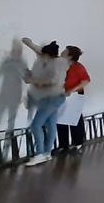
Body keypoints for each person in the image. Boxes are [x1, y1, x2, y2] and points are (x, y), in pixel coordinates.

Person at [21, 37, 68, 166]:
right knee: (51, 124)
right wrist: (28, 43)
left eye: (44, 56)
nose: (41, 57)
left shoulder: (58, 64)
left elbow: (53, 82)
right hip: (52, 98)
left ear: (50, 56)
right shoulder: (49, 57)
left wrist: (33, 80)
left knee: (36, 125)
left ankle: (40, 154)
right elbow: (38, 50)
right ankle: (47, 154)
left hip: (53, 98)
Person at [56, 45, 91, 153]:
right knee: (60, 120)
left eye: (64, 51)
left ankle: (78, 143)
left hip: (74, 94)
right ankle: (63, 145)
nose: (62, 52)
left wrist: (71, 91)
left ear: (70, 56)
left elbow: (86, 81)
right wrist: (30, 44)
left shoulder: (78, 67)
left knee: (74, 119)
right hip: (62, 94)